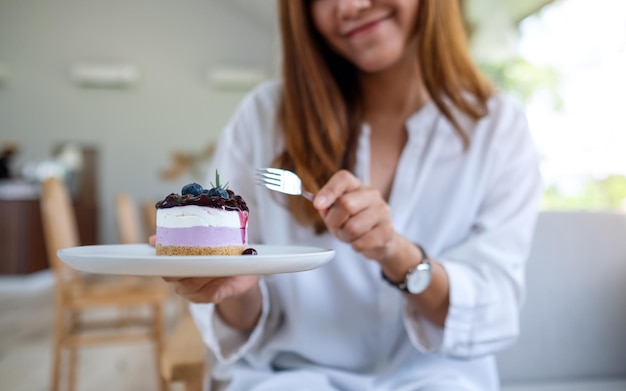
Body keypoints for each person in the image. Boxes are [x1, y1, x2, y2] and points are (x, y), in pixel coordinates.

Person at [161, 0, 542, 389]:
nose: (349, 6)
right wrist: (236, 289)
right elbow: (240, 317)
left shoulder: (498, 128)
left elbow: (492, 310)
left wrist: (396, 253)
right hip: (290, 378)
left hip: (437, 375)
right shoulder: (263, 118)